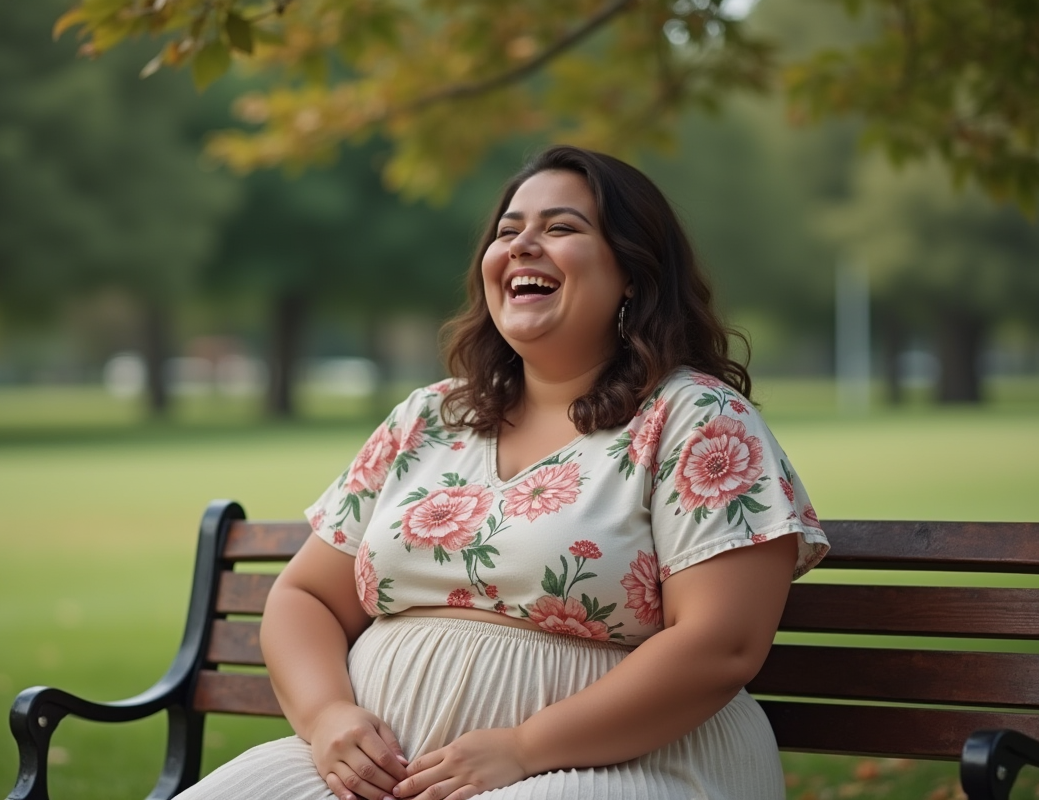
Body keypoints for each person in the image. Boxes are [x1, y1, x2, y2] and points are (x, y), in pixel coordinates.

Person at [176, 145, 828, 800]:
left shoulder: (697, 420)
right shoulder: (429, 418)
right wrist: (325, 720)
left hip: (622, 764)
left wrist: (524, 747)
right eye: (508, 231)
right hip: (385, 774)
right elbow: (306, 597)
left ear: (633, 271)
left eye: (561, 228)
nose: (521, 246)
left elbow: (722, 644)